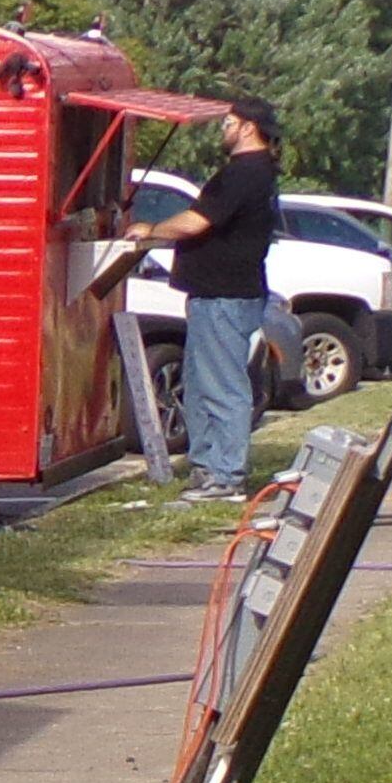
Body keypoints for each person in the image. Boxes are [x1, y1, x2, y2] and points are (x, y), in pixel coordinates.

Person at [136, 94, 283, 499]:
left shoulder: (245, 173)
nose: (223, 130)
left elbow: (196, 221)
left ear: (247, 128)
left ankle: (226, 474)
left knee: (223, 385)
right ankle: (207, 466)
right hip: (213, 294)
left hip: (226, 296)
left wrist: (150, 230)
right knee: (200, 383)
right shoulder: (252, 172)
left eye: (228, 124)